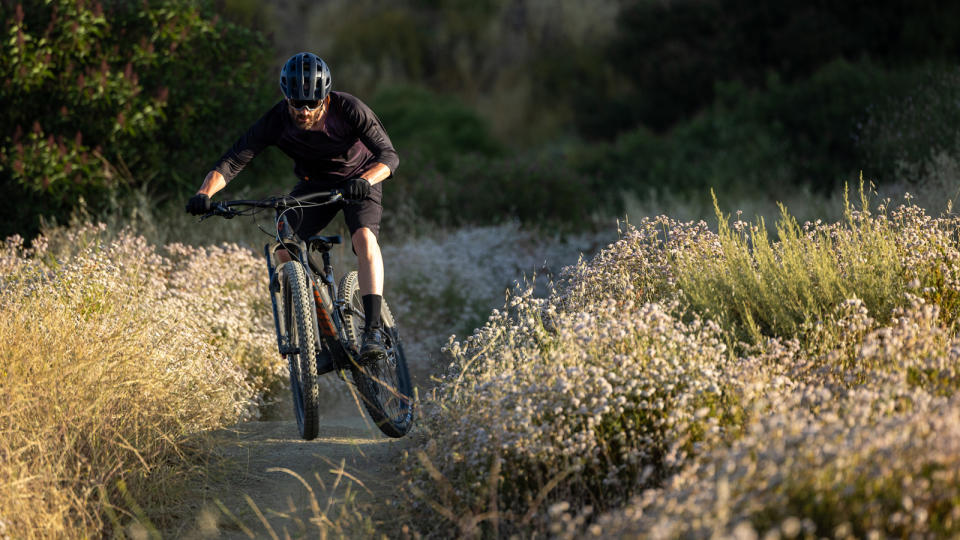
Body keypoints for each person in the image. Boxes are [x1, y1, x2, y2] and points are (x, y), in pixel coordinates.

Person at [185, 52, 399, 362]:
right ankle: (319, 335)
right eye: (296, 103)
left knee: (364, 239)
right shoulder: (277, 120)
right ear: (287, 98)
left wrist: (364, 181)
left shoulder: (349, 108)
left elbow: (389, 156)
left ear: (325, 98)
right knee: (284, 248)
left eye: (312, 103)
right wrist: (203, 193)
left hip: (360, 179)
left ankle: (374, 330)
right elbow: (233, 160)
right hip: (314, 184)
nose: (304, 110)